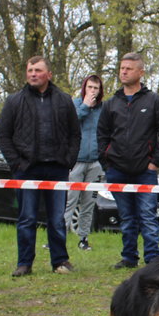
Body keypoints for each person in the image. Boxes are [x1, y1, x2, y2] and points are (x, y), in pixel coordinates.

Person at [0, 56, 80, 277]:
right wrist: (16, 164)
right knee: (27, 218)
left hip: (57, 169)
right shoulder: (14, 101)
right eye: (30, 70)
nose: (33, 73)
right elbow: (3, 136)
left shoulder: (64, 100)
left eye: (38, 70)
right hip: (27, 169)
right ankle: (24, 263)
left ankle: (60, 261)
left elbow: (75, 134)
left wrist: (68, 160)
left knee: (56, 219)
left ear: (49, 74)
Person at [97, 53, 159, 269]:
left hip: (145, 171)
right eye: (122, 68)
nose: (124, 72)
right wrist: (107, 164)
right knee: (127, 218)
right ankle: (129, 258)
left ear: (140, 72)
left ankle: (153, 260)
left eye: (129, 68)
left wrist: (154, 163)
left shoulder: (154, 101)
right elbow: (102, 136)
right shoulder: (111, 104)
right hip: (117, 171)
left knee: (147, 216)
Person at [63, 74, 105, 251]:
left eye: (96, 88)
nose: (92, 91)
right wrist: (85, 106)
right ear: (84, 88)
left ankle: (83, 238)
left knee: (89, 203)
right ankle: (59, 237)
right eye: (90, 87)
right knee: (69, 201)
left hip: (96, 163)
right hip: (76, 161)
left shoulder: (104, 109)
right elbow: (69, 123)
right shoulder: (75, 104)